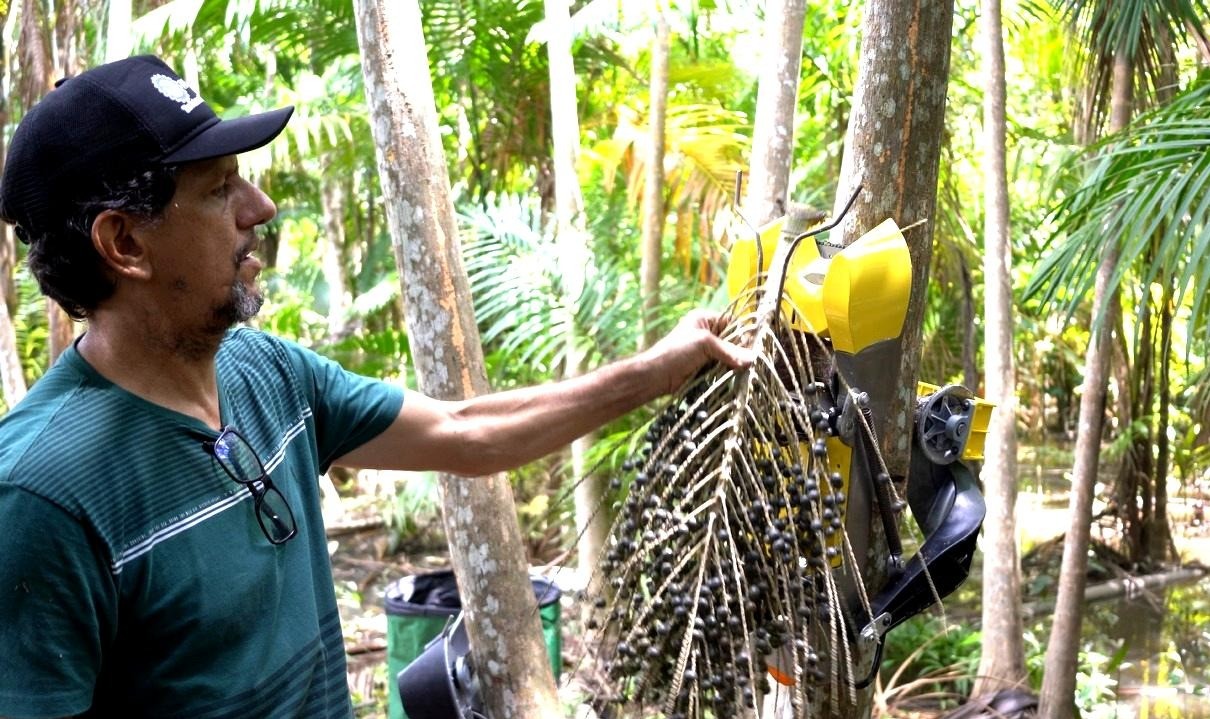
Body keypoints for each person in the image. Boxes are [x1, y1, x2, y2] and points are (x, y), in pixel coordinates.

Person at [0, 55, 750, 719]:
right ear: (125, 243)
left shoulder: (268, 374)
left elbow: (468, 431)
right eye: (220, 188)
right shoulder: (41, 496)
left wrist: (658, 368)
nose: (258, 209)